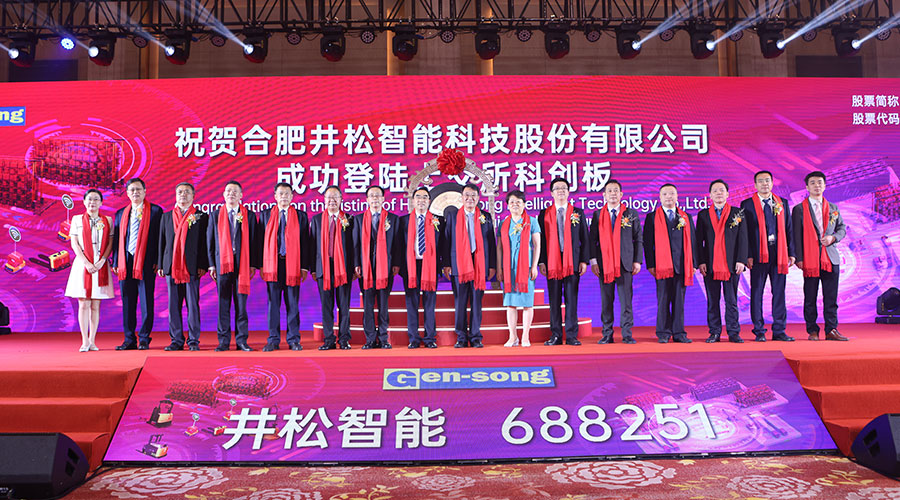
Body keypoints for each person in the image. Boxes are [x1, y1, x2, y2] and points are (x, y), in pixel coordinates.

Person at [792, 171, 848, 341]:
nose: (817, 185)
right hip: (810, 260)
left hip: (830, 259)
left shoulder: (833, 208)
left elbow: (842, 228)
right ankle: (812, 330)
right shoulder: (799, 209)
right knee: (810, 297)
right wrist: (799, 258)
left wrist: (833, 238)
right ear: (807, 187)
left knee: (831, 298)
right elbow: (795, 236)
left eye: (820, 182)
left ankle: (831, 329)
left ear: (824, 185)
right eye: (813, 183)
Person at [740, 171, 796, 342]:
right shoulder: (747, 204)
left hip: (778, 253)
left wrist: (791, 253)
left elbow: (789, 228)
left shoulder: (782, 203)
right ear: (755, 185)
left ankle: (779, 330)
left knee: (779, 292)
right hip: (757, 255)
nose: (764, 184)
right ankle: (759, 331)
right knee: (757, 293)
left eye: (767, 180)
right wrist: (748, 255)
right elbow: (744, 233)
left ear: (772, 183)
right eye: (760, 181)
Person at [207, 181, 260, 351]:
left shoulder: (249, 215)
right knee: (223, 304)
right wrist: (211, 265)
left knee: (241, 305)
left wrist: (253, 264)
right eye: (228, 191)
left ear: (241, 195)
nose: (231, 194)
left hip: (242, 264)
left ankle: (241, 340)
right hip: (222, 264)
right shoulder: (215, 215)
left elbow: (254, 241)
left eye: (235, 191)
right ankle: (223, 341)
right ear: (223, 194)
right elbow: (210, 241)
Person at [441, 183, 497, 348]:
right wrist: (446, 264)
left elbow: (491, 242)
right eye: (467, 195)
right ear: (462, 197)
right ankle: (461, 336)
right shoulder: (452, 216)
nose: (470, 198)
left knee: (476, 302)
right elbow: (446, 240)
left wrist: (492, 265)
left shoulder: (485, 216)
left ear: (478, 198)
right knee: (460, 302)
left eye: (473, 195)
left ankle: (475, 336)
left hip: (480, 264)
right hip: (458, 264)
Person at [589, 179, 642, 344]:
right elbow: (592, 240)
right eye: (610, 191)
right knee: (606, 301)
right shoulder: (598, 215)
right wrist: (593, 262)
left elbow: (638, 239)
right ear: (604, 195)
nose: (613, 194)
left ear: (621, 194)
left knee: (626, 302)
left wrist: (637, 261)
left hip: (625, 264)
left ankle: (627, 334)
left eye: (616, 191)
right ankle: (607, 334)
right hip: (604, 265)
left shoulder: (630, 214)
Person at [112, 178, 163, 350]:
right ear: (127, 193)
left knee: (146, 301)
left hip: (147, 262)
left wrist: (158, 261)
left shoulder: (155, 211)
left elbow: (160, 238)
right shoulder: (120, 213)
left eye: (138, 189)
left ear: (145, 191)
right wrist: (115, 260)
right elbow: (117, 240)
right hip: (125, 262)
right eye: (132, 190)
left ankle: (144, 338)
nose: (135, 192)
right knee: (127, 301)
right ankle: (129, 339)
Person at [643, 183, 698, 343]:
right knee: (663, 300)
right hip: (661, 266)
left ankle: (679, 333)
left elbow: (693, 242)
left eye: (672, 193)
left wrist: (694, 263)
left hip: (682, 265)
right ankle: (663, 333)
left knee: (679, 301)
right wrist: (651, 264)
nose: (669, 197)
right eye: (665, 194)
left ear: (677, 196)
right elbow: (648, 243)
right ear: (660, 197)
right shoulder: (652, 217)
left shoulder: (685, 217)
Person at [258, 182, 310, 351]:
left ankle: (293, 339)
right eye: (281, 193)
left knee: (292, 304)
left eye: (287, 193)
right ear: (275, 196)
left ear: (292, 196)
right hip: (272, 265)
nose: (284, 196)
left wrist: (304, 267)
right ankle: (273, 339)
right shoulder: (265, 215)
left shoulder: (301, 216)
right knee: (273, 304)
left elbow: (305, 242)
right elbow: (259, 242)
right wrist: (260, 265)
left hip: (293, 265)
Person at [696, 179, 749, 343]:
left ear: (727, 194)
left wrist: (741, 260)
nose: (719, 193)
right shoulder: (703, 215)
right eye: (715, 191)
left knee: (731, 300)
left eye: (722, 190)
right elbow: (699, 241)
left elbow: (743, 239)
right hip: (710, 265)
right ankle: (714, 332)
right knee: (713, 301)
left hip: (732, 264)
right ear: (710, 195)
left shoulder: (737, 213)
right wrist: (701, 262)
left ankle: (734, 332)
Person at [538, 178, 589, 346]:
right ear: (551, 193)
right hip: (552, 263)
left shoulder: (577, 213)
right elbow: (540, 241)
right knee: (554, 300)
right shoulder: (544, 214)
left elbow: (585, 238)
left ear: (568, 192)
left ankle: (572, 335)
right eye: (557, 188)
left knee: (571, 299)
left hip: (572, 262)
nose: (561, 190)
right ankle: (556, 335)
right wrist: (542, 261)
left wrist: (584, 260)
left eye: (564, 188)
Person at [157, 182, 208, 351]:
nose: (183, 195)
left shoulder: (201, 216)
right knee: (173, 305)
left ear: (193, 196)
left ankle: (193, 340)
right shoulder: (166, 217)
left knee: (193, 305)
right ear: (175, 195)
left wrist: (203, 264)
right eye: (180, 192)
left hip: (191, 267)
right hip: (171, 267)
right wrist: (161, 264)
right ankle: (176, 340)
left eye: (187, 192)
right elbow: (162, 242)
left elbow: (204, 243)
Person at [65, 189, 114, 351]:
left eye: (96, 199)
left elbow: (110, 243)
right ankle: (84, 341)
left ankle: (92, 340)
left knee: (95, 305)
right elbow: (74, 243)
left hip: (100, 264)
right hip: (82, 264)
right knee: (83, 304)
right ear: (84, 201)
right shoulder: (77, 219)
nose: (92, 202)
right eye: (89, 199)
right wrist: (86, 262)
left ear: (101, 202)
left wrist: (102, 261)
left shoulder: (107, 220)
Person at [353, 185, 401, 350]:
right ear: (367, 200)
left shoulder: (392, 219)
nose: (375, 198)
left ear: (383, 199)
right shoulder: (358, 219)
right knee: (368, 305)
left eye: (378, 195)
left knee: (383, 304)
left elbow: (397, 244)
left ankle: (383, 338)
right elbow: (355, 244)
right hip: (366, 268)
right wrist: (357, 264)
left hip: (385, 267)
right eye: (371, 196)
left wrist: (396, 263)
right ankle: (370, 339)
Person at [311, 186, 355, 350]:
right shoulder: (316, 220)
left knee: (344, 305)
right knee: (326, 305)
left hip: (343, 268)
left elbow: (354, 246)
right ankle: (329, 339)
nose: (332, 201)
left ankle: (344, 339)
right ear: (324, 200)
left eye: (335, 197)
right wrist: (313, 268)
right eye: (329, 197)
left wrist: (354, 267)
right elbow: (312, 246)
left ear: (341, 199)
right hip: (324, 267)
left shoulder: (349, 219)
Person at [496, 190, 541, 347]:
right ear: (507, 205)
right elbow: (499, 248)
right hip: (509, 268)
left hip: (526, 267)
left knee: (527, 303)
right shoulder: (503, 224)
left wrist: (534, 266)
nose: (515, 204)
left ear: (524, 204)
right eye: (512, 202)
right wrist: (499, 268)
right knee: (511, 303)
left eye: (518, 202)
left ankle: (526, 336)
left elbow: (537, 245)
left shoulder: (532, 222)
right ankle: (513, 336)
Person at [399, 186, 441, 349]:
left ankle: (430, 338)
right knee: (412, 303)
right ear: (413, 201)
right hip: (411, 266)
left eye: (424, 197)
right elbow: (398, 245)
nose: (421, 200)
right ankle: (414, 338)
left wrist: (444, 265)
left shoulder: (438, 220)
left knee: (430, 304)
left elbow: (443, 244)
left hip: (430, 266)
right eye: (418, 197)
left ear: (429, 201)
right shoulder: (403, 221)